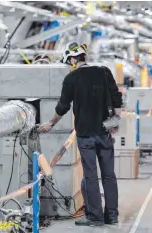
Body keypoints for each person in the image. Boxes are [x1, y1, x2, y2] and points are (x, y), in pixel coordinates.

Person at [38, 42, 122, 227]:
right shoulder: (104, 71)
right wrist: (115, 121)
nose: (70, 64)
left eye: (70, 61)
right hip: (104, 132)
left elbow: (63, 106)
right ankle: (113, 216)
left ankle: (95, 218)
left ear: (74, 59)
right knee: (109, 175)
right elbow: (117, 97)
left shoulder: (71, 78)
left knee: (91, 176)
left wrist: (51, 123)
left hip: (85, 135)